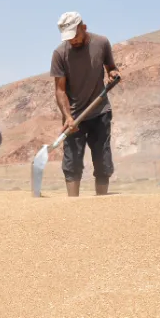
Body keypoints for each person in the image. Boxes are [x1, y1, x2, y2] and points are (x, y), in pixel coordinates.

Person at [50, 11, 121, 197]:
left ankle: (102, 203)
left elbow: (111, 67)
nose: (72, 41)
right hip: (74, 118)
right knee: (72, 163)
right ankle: (73, 208)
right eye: (68, 38)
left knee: (102, 160)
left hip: (100, 111)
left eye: (75, 35)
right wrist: (67, 117)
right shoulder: (60, 54)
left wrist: (113, 73)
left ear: (84, 27)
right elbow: (60, 90)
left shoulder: (102, 43)